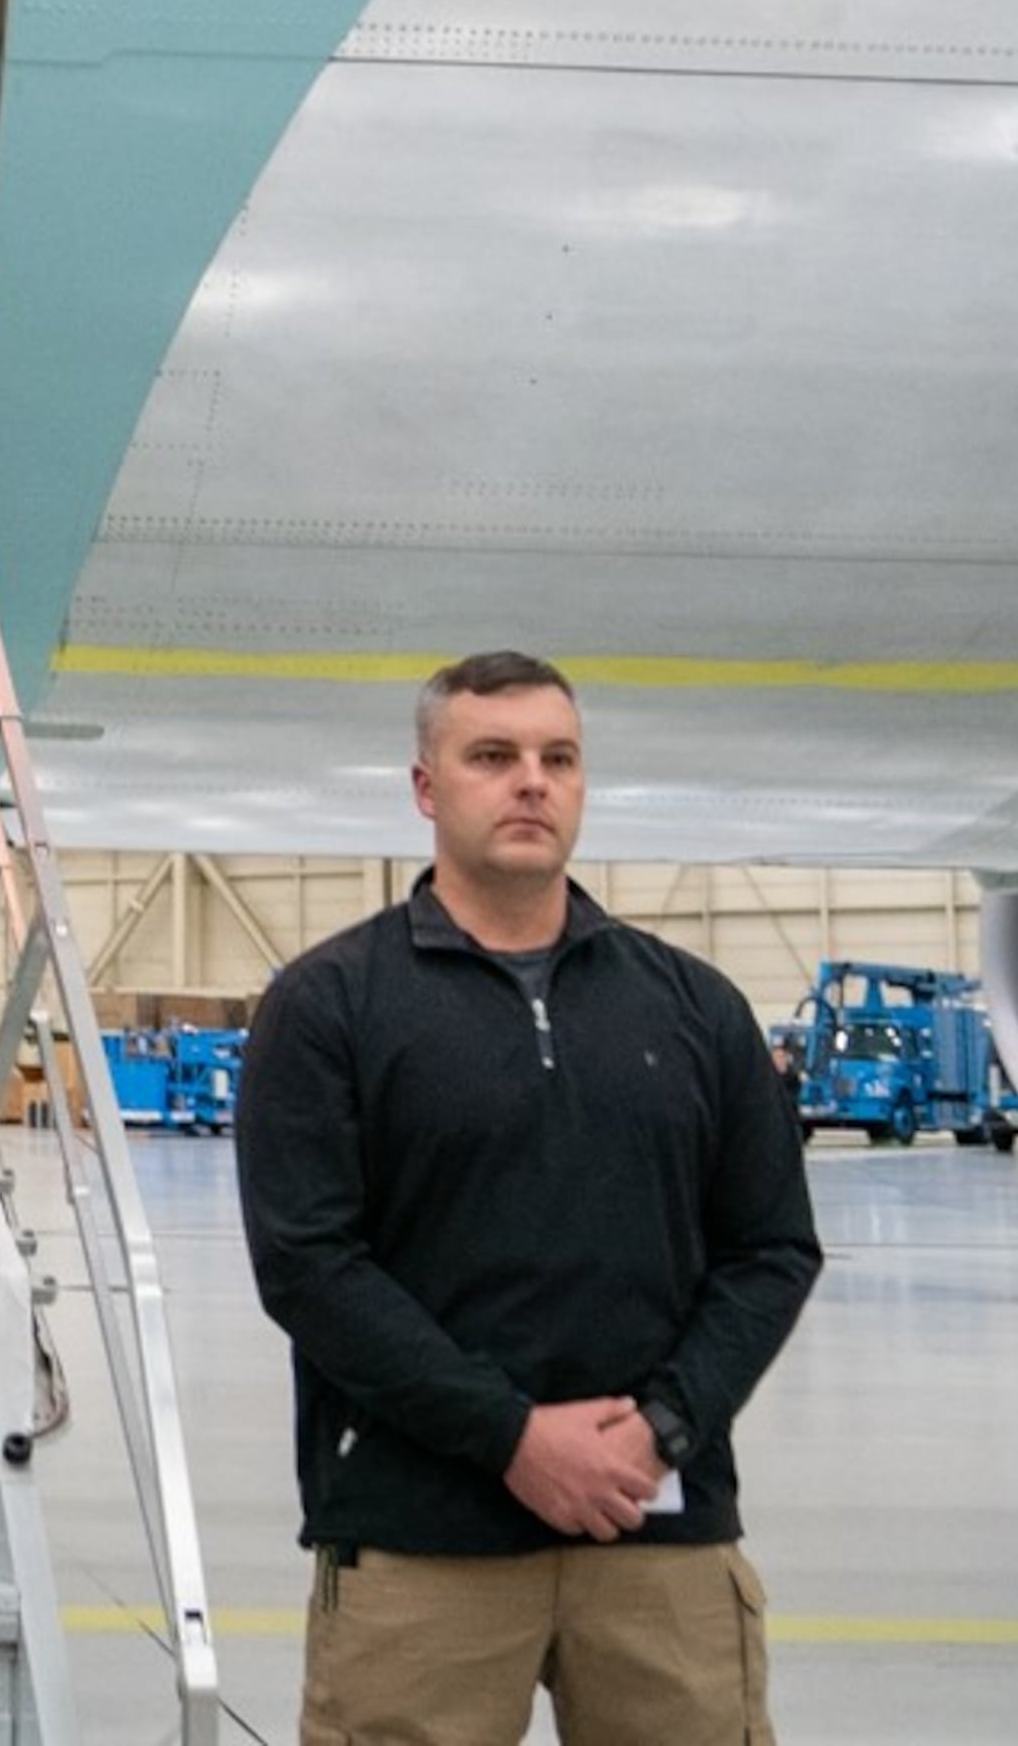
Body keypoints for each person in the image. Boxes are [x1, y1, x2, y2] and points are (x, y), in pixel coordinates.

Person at [233, 652, 822, 1746]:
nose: (532, 783)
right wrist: (511, 1436)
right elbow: (310, 1265)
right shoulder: (328, 1007)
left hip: (658, 1531)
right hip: (423, 1542)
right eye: (493, 757)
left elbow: (773, 1247)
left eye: (559, 758)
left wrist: (663, 1425)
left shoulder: (693, 1007)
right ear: (426, 787)